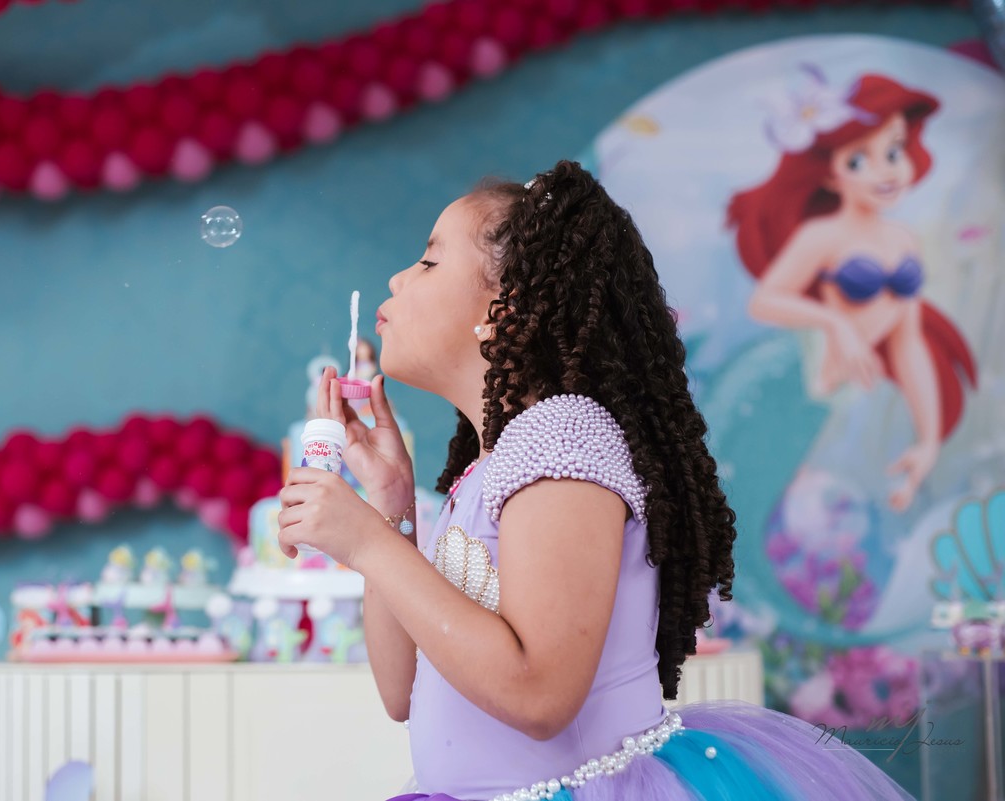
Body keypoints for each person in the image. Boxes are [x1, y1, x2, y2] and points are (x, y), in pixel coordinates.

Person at [277, 160, 914, 800]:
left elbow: (539, 695)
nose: (396, 277)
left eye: (429, 262)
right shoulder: (493, 464)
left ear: (507, 306)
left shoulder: (563, 439)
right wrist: (391, 506)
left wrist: (367, 543)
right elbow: (401, 691)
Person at [728, 70, 976, 512]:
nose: (886, 172)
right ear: (829, 175)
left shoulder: (902, 240)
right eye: (859, 161)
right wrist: (836, 323)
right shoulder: (822, 236)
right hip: (801, 386)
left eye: (894, 151)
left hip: (854, 395)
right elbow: (764, 301)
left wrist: (929, 439)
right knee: (763, 499)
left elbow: (908, 342)